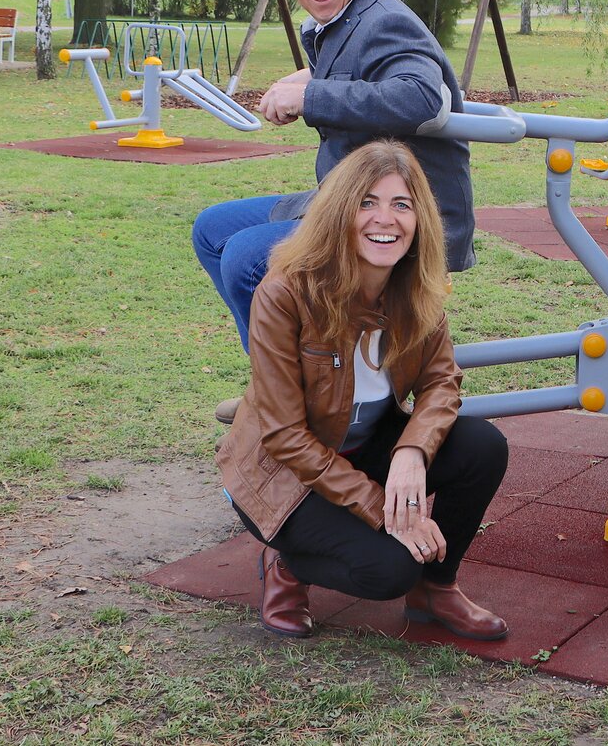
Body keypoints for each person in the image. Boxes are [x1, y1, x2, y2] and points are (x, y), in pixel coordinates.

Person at [217, 140, 509, 641]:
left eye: (401, 204)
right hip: (286, 476)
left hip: (363, 451)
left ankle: (435, 590)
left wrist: (411, 453)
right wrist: (384, 510)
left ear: (419, 219)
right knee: (388, 570)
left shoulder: (414, 289)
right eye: (366, 202)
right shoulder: (285, 293)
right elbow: (285, 435)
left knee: (483, 445)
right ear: (338, 213)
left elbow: (441, 381)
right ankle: (287, 563)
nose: (385, 220)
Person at [192, 0, 476, 406]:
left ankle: (307, 396)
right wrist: (313, 75)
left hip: (402, 217)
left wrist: (313, 95)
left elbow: (419, 97)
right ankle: (281, 385)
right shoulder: (347, 19)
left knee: (246, 258)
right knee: (213, 230)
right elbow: (358, 70)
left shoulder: (385, 21)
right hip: (345, 200)